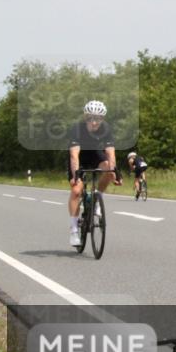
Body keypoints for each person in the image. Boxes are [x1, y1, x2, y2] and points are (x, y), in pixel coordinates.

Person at [68, 100, 121, 246]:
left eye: (98, 118)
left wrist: (115, 172)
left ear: (102, 119)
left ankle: (97, 197)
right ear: (86, 118)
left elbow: (111, 154)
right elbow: (74, 156)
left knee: (109, 172)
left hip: (95, 155)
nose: (94, 122)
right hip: (79, 158)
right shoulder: (77, 129)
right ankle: (73, 230)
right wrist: (76, 176)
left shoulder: (106, 129)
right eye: (91, 118)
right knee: (77, 191)